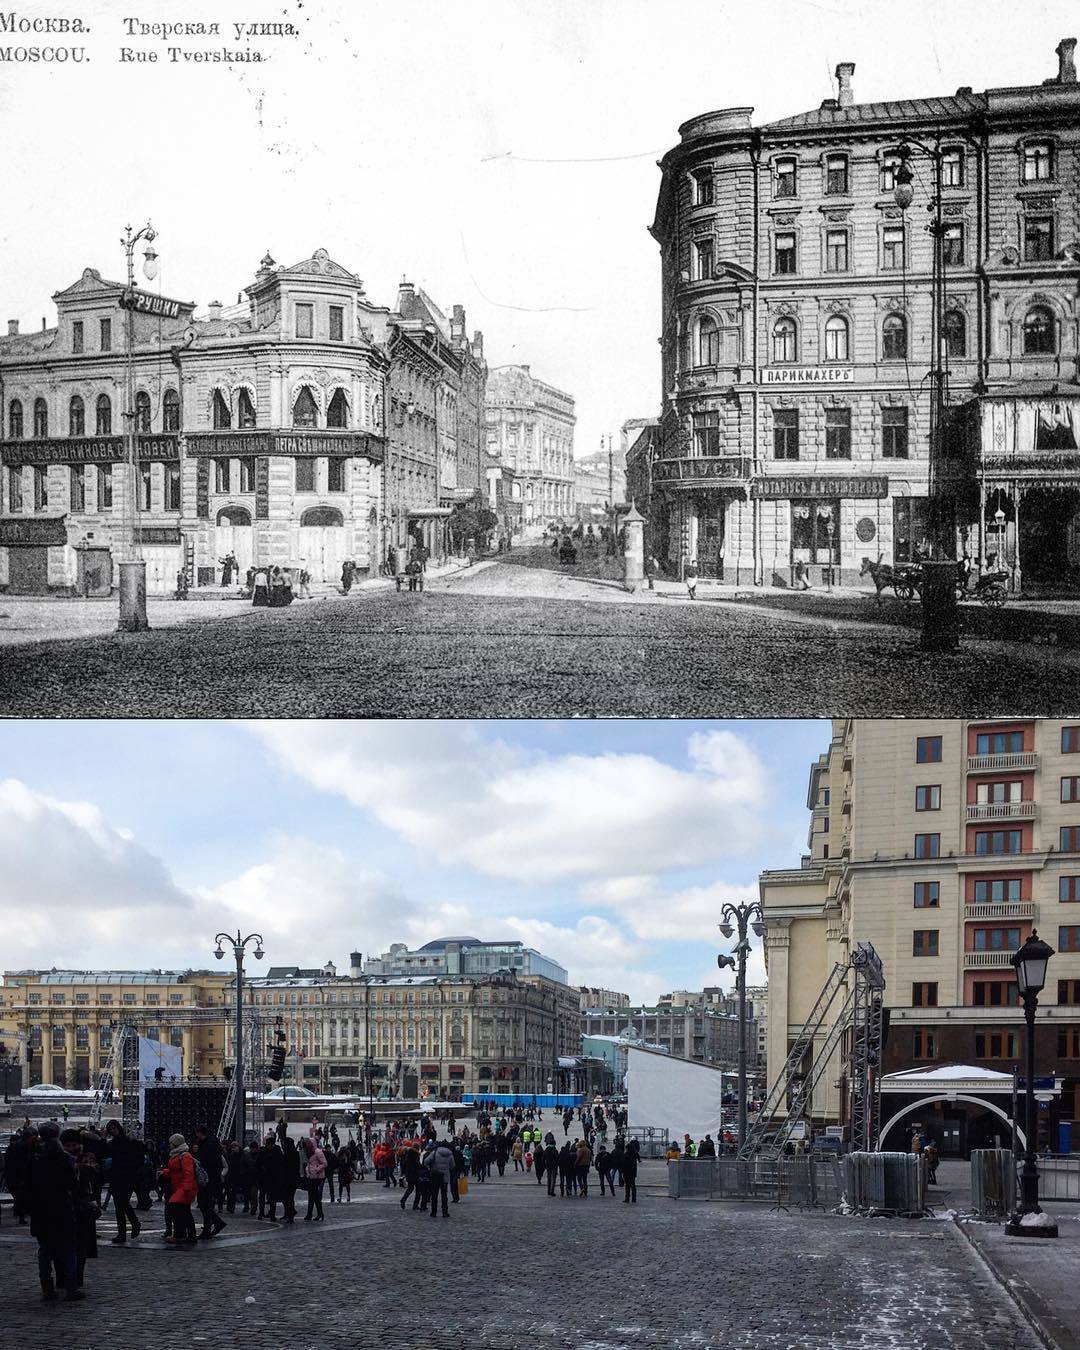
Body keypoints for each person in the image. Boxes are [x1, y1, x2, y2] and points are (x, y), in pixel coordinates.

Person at [61, 1129, 99, 1292]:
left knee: (81, 1246)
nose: (71, 1148)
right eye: (67, 1145)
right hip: (65, 1208)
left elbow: (94, 1184)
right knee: (65, 1246)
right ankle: (65, 1277)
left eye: (74, 1145)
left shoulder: (87, 1161)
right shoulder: (60, 1161)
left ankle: (77, 1276)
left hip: (83, 1209)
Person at [104, 1120, 142, 1245]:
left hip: (127, 1176)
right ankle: (124, 1231)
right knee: (119, 1206)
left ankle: (131, 1226)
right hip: (116, 1177)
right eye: (110, 1129)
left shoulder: (129, 1142)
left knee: (123, 1203)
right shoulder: (111, 1144)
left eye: (114, 1128)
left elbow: (136, 1157)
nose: (113, 1131)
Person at [160, 1132, 198, 1247]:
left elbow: (188, 1172)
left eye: (171, 1142)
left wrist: (187, 1187)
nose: (169, 1144)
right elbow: (175, 1171)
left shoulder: (184, 1156)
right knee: (185, 1212)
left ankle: (179, 1234)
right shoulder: (178, 1155)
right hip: (180, 1187)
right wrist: (165, 1172)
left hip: (184, 1188)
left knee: (175, 1208)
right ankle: (190, 1235)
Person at [193, 1125, 227, 1240]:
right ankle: (213, 1225)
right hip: (209, 1178)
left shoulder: (209, 1144)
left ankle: (210, 1227)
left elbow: (207, 1161)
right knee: (205, 1204)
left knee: (204, 1203)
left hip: (208, 1178)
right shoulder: (210, 1143)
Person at [424, 1138, 455, 1218]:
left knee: (434, 1195)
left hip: (435, 1176)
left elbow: (426, 1161)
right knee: (444, 1195)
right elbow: (452, 1166)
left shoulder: (435, 1152)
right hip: (444, 1177)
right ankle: (445, 1212)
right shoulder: (450, 1154)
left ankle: (433, 1212)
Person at [302, 1138, 326, 1221]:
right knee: (313, 1196)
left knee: (313, 1196)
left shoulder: (318, 1152)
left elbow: (324, 1163)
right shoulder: (309, 1152)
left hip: (317, 1177)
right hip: (311, 1176)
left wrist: (316, 1169)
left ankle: (312, 1214)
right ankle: (318, 1213)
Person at [622, 1138, 639, 1204]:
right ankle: (634, 1198)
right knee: (633, 1185)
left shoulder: (626, 1155)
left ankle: (627, 1198)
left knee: (627, 1186)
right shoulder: (635, 1154)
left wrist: (622, 1171)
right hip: (633, 1172)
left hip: (627, 1172)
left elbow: (623, 1164)